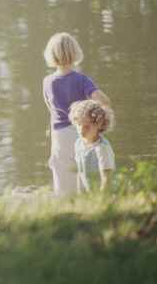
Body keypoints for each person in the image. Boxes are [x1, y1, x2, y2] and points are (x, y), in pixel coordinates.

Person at [42, 32, 111, 196]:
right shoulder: (81, 79)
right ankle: (89, 198)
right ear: (75, 53)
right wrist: (97, 113)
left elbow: (50, 109)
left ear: (51, 55)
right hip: (81, 130)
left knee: (62, 170)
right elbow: (103, 100)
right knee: (85, 168)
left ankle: (65, 201)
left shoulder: (47, 82)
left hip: (59, 134)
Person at [69, 100, 115, 192]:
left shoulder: (102, 148)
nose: (81, 131)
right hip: (88, 193)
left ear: (99, 124)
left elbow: (107, 178)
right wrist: (80, 194)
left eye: (87, 126)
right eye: (79, 125)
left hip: (104, 195)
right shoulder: (79, 144)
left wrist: (100, 201)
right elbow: (80, 173)